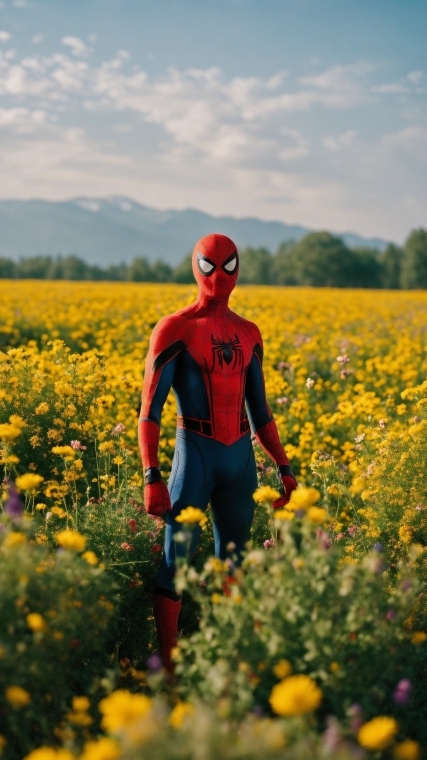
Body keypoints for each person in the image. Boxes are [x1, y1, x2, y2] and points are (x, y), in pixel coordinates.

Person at [138, 233, 296, 670]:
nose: (220, 276)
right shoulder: (175, 328)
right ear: (195, 267)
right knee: (175, 563)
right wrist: (151, 476)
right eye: (209, 266)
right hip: (196, 455)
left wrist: (284, 468)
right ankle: (168, 671)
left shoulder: (249, 333)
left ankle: (232, 665)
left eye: (229, 266)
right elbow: (148, 412)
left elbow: (261, 413)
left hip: (240, 460)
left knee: (236, 563)